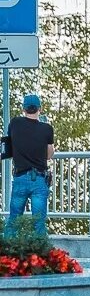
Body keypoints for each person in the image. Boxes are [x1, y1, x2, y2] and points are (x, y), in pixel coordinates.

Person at [2, 94, 55, 237]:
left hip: (20, 177)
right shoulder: (47, 128)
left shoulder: (15, 123)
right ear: (40, 109)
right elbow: (49, 155)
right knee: (38, 222)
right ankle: (41, 256)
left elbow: (9, 144)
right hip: (39, 178)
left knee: (14, 220)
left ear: (24, 109)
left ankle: (6, 255)